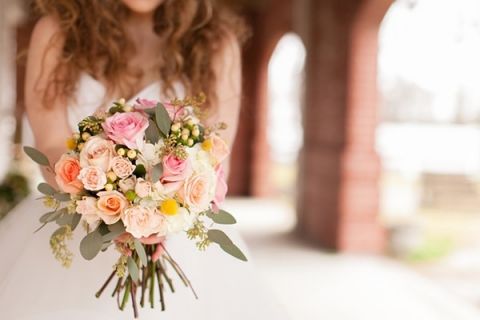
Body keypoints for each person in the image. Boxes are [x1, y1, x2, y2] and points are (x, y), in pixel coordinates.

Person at [0, 1, 288, 319]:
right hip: (74, 223)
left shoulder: (216, 43)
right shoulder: (57, 32)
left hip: (179, 238)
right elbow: (51, 143)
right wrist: (105, 204)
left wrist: (159, 215)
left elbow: (217, 158)